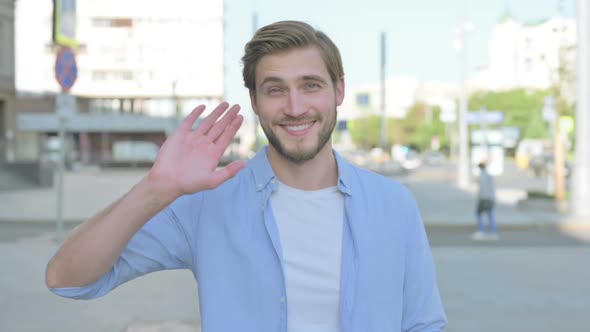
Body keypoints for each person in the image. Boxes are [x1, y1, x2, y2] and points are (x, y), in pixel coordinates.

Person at [45, 20, 446, 331]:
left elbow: (423, 323)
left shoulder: (393, 204)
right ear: (254, 100)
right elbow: (67, 279)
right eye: (275, 90)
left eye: (310, 86)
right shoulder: (206, 204)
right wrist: (156, 189)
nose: (295, 106)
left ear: (339, 91)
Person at [471, 161, 498, 241]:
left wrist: (478, 199)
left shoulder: (481, 176)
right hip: (490, 198)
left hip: (483, 198)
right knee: (490, 214)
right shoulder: (489, 175)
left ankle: (481, 230)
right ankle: (493, 231)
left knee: (479, 214)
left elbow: (482, 189)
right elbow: (492, 188)